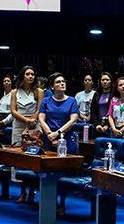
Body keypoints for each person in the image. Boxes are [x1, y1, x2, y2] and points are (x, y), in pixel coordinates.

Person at [11, 66, 42, 203]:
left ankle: (32, 192)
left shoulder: (39, 91)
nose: (31, 76)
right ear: (22, 76)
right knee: (20, 160)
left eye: (33, 74)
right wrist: (26, 121)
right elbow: (13, 111)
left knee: (32, 158)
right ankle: (22, 191)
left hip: (34, 125)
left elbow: (39, 109)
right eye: (28, 74)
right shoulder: (14, 92)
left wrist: (31, 122)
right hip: (18, 124)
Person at [39, 72, 79, 150]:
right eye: (58, 82)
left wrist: (57, 134)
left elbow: (73, 121)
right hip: (49, 137)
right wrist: (50, 135)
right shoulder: (45, 101)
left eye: (63, 81)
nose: (62, 83)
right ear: (52, 87)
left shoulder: (72, 101)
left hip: (66, 137)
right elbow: (41, 120)